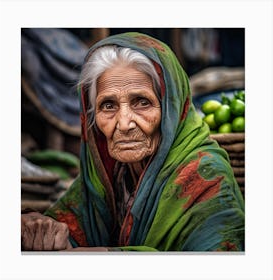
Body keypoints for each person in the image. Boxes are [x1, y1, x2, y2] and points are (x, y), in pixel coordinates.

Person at [21, 32, 244, 251]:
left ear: (170, 111)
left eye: (142, 103)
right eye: (108, 106)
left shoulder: (206, 177)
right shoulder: (107, 176)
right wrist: (39, 228)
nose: (124, 123)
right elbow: (63, 232)